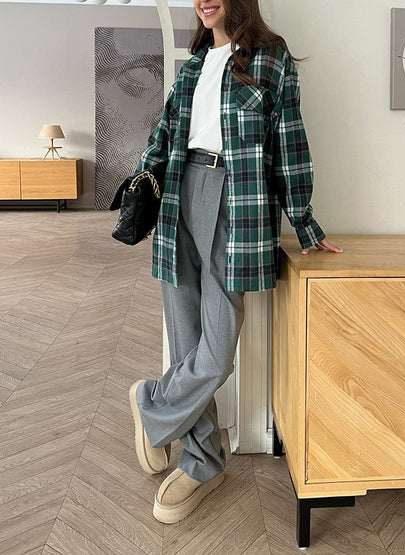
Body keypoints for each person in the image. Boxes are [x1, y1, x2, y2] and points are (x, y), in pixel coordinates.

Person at [128, 0, 343, 525]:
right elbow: (164, 136)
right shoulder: (194, 64)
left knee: (218, 347)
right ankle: (203, 462)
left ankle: (152, 401)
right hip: (179, 195)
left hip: (237, 199)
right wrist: (143, 193)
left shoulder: (271, 57)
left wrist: (305, 222)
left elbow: (290, 143)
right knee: (186, 340)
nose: (203, 1)